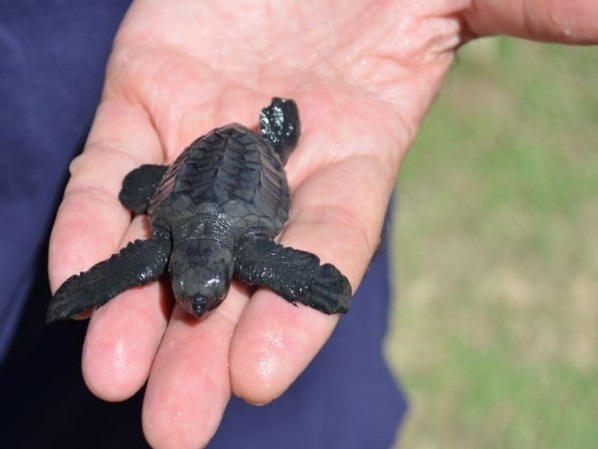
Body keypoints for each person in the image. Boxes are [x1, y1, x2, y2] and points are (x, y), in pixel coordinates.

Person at [1, 1, 597, 448]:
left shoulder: (211, 250)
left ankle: (274, 145)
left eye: (199, 294)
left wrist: (316, 281)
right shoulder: (175, 246)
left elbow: (145, 259)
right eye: (191, 293)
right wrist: (87, 286)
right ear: (178, 266)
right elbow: (130, 262)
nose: (195, 301)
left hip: (215, 166)